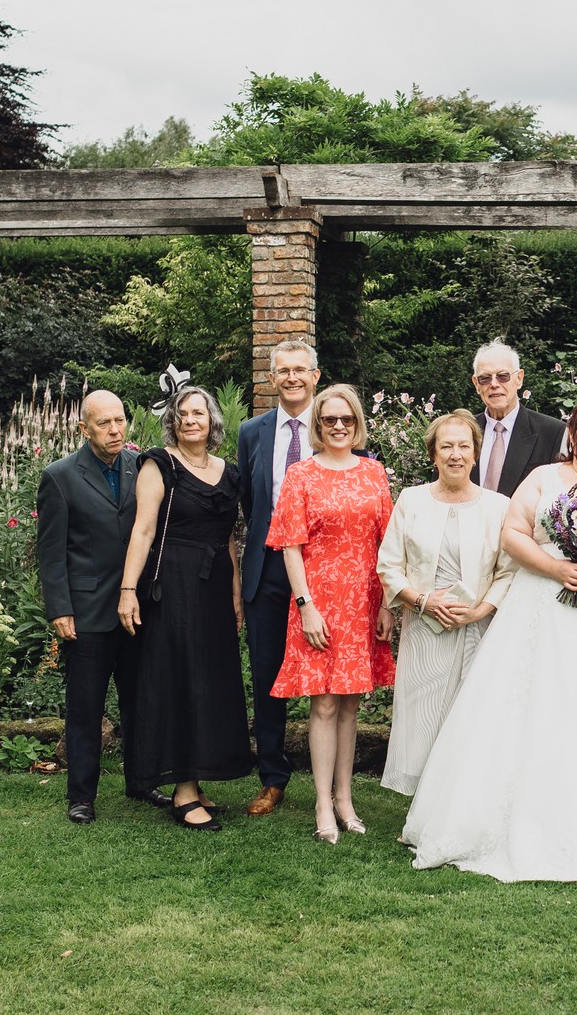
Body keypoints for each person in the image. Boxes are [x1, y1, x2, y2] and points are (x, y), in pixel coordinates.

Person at [402, 398, 577, 884]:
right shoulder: (542, 477)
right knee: (536, 703)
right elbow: (513, 534)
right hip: (545, 604)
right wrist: (555, 567)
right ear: (570, 435)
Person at [118, 385, 252, 831]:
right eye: (183, 413)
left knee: (210, 680)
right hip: (171, 583)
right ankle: (183, 790)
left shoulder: (229, 472)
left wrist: (234, 592)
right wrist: (127, 590)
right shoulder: (159, 465)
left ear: (212, 420)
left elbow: (230, 538)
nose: (191, 420)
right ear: (172, 421)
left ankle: (198, 776)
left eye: (199, 413)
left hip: (214, 586)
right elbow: (142, 531)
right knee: (179, 678)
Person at [267, 385, 396, 843]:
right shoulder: (300, 475)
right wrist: (305, 607)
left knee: (350, 704)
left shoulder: (374, 473)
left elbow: (389, 547)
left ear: (357, 421)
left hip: (363, 600)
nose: (338, 426)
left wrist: (386, 604)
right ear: (318, 425)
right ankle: (323, 801)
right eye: (329, 420)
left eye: (346, 419)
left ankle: (346, 799)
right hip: (318, 602)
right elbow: (290, 547)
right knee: (322, 702)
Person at [36, 390, 172, 823]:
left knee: (142, 702)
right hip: (87, 613)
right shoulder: (59, 476)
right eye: (103, 424)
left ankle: (141, 781)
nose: (115, 430)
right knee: (85, 707)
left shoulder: (143, 467)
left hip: (137, 611)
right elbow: (51, 552)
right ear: (83, 429)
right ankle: (81, 796)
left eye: (120, 421)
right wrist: (60, 609)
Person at [377, 409, 515, 795]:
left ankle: (462, 802)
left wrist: (480, 611)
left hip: (478, 629)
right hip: (424, 627)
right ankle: (422, 804)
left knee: (470, 716)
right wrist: (422, 600)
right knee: (422, 715)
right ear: (433, 455)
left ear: (475, 454)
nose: (455, 454)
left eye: (463, 446)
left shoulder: (498, 506)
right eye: (446, 446)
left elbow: (508, 571)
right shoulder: (411, 500)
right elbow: (389, 566)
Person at [236, 340, 320, 817]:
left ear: (315, 375)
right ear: (272, 378)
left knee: (325, 676)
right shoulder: (252, 431)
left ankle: (331, 779)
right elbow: (252, 502)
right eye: (283, 371)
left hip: (321, 568)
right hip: (267, 568)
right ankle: (273, 778)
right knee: (268, 675)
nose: (292, 378)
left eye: (300, 370)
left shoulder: (334, 425)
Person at [470, 339, 565, 498]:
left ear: (519, 379)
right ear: (476, 384)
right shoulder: (462, 431)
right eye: (485, 378)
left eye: (502, 376)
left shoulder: (553, 433)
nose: (494, 384)